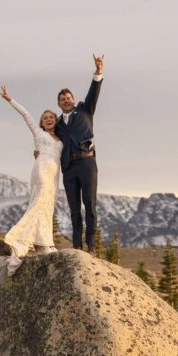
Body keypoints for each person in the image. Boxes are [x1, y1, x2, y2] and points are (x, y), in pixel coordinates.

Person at [0, 85, 63, 275]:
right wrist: (10, 99)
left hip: (54, 175)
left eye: (51, 117)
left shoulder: (61, 138)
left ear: (55, 121)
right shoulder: (39, 133)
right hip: (42, 170)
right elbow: (26, 114)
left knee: (47, 206)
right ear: (42, 123)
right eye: (45, 118)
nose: (48, 120)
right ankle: (18, 239)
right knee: (39, 204)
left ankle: (44, 243)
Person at [54, 54, 105, 253]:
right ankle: (77, 246)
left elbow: (94, 92)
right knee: (74, 209)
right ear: (59, 104)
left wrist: (98, 72)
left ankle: (91, 246)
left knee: (90, 205)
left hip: (87, 163)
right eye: (62, 99)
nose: (66, 101)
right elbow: (50, 142)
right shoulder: (57, 124)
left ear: (73, 100)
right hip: (68, 168)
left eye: (68, 98)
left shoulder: (85, 110)